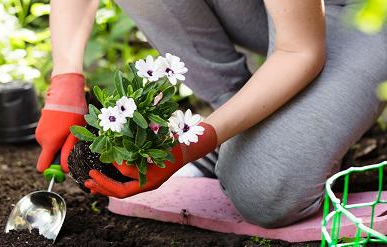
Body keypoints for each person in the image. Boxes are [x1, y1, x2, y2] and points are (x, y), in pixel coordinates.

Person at [35, 0, 387, 228]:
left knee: (263, 192)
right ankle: (241, 122)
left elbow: (300, 49)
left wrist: (192, 144)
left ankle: (285, 136)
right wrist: (65, 81)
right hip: (275, 11)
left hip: (365, 15)